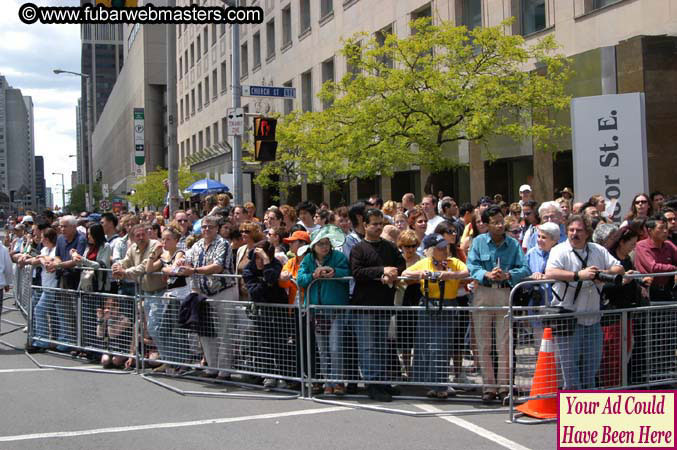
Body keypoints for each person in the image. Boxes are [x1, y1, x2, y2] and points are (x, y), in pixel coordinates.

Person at [545, 214, 624, 390]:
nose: (575, 234)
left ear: (587, 233)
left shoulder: (597, 250)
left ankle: (587, 410)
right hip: (568, 319)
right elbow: (549, 272)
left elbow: (619, 268)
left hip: (593, 319)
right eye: (571, 230)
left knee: (591, 370)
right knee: (570, 373)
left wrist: (602, 274)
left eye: (579, 230)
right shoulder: (559, 250)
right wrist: (577, 275)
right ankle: (571, 411)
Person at [466, 206, 530, 403]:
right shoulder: (478, 242)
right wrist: (485, 274)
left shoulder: (513, 244)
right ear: (486, 224)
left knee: (504, 344)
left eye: (502, 220)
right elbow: (472, 265)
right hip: (483, 293)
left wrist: (508, 275)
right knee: (484, 344)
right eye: (495, 221)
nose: (500, 224)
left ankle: (504, 387)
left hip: (504, 292)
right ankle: (489, 387)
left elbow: (525, 267)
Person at [349, 209, 405, 402]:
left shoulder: (389, 247)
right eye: (374, 224)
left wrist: (392, 273)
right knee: (368, 347)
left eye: (380, 224)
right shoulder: (359, 248)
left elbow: (401, 264)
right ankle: (373, 384)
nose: (378, 227)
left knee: (382, 346)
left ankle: (382, 382)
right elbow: (357, 272)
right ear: (365, 225)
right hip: (364, 306)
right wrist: (381, 270)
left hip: (384, 304)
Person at [402, 233, 468, 398]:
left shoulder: (453, 262)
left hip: (448, 305)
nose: (444, 250)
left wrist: (449, 275)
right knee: (426, 345)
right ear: (430, 250)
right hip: (428, 305)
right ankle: (430, 383)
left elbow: (466, 272)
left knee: (442, 346)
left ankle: (440, 384)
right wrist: (420, 275)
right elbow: (405, 273)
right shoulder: (424, 263)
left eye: (444, 247)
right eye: (439, 248)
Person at [177, 214, 238, 379]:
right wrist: (181, 263)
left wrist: (194, 271)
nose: (206, 229)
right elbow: (186, 260)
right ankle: (212, 367)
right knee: (206, 331)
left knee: (225, 331)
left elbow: (218, 266)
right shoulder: (196, 245)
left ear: (217, 228)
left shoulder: (223, 244)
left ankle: (225, 371)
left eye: (210, 226)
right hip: (203, 294)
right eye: (204, 226)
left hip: (223, 292)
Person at [297, 225, 350, 395]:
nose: (325, 247)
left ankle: (337, 381)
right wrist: (314, 275)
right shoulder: (307, 260)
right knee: (323, 348)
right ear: (313, 246)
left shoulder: (339, 257)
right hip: (316, 310)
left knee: (335, 347)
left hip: (336, 310)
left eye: (327, 243)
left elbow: (348, 273)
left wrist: (333, 272)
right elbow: (300, 279)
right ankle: (328, 382)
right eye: (321, 244)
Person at [599, 226, 648, 387]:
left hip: (627, 314)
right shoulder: (609, 260)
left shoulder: (627, 260)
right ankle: (610, 389)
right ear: (621, 242)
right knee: (611, 356)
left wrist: (638, 283)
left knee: (624, 354)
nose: (634, 247)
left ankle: (620, 386)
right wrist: (623, 281)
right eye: (631, 243)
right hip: (611, 316)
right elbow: (603, 287)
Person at [112, 224, 165, 369]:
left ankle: (168, 359)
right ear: (132, 238)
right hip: (146, 293)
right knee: (152, 327)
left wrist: (125, 272)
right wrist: (117, 267)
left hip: (160, 292)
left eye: (143, 234)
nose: (141, 238)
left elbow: (143, 267)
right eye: (138, 235)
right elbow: (125, 261)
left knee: (155, 327)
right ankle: (167, 359)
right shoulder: (132, 249)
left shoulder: (155, 245)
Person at [243, 240, 294, 389]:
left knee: (280, 344)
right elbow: (254, 291)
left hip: (279, 312)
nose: (259, 261)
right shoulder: (249, 268)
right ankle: (268, 375)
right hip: (261, 312)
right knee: (263, 344)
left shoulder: (275, 264)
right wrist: (268, 283)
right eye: (257, 257)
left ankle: (283, 376)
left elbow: (272, 278)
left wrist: (266, 263)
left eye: (262, 257)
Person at [395, 230, 421, 380]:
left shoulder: (422, 259)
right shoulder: (397, 259)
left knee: (418, 336)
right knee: (404, 337)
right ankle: (406, 368)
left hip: (418, 298)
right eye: (407, 246)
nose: (410, 249)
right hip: (401, 300)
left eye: (413, 246)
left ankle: (417, 369)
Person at [634, 214, 677, 301]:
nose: (665, 231)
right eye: (661, 228)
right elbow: (653, 267)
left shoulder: (668, 245)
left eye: (666, 227)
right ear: (650, 230)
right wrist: (675, 269)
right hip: (647, 293)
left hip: (666, 290)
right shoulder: (641, 246)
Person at [30, 228, 60, 350]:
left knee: (40, 310)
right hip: (45, 286)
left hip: (53, 286)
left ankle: (42, 340)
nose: (41, 240)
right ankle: (51, 339)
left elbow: (49, 263)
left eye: (42, 238)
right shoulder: (44, 249)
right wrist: (42, 258)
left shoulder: (55, 250)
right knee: (53, 315)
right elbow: (35, 259)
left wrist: (42, 258)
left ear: (47, 239)